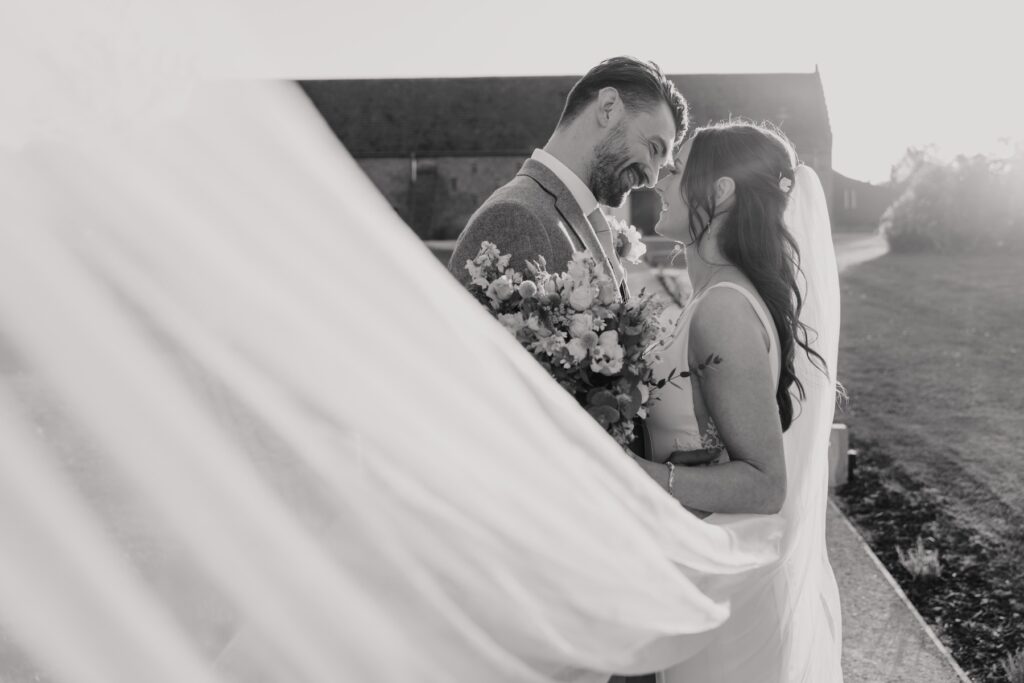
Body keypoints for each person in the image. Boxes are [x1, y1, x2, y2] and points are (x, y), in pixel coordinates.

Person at [632, 121, 844, 682]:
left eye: (678, 170)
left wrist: (634, 475)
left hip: (728, 616)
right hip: (701, 577)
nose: (662, 177)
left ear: (721, 192)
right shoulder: (714, 294)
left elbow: (764, 483)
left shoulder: (724, 307)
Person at [448, 56, 688, 301]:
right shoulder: (514, 219)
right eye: (653, 148)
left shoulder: (579, 217)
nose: (651, 179)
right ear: (608, 107)